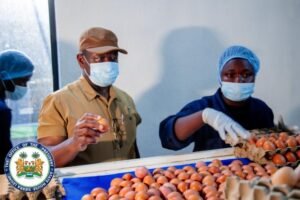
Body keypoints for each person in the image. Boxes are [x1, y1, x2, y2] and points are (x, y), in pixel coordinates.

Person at [37, 27, 141, 167]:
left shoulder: (126, 99)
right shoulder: (58, 101)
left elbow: (132, 150)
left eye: (113, 57)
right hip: (83, 187)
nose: (108, 64)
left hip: (124, 185)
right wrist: (73, 143)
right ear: (81, 60)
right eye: (99, 58)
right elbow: (43, 161)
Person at [159, 45, 274, 151]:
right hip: (211, 171)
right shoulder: (203, 106)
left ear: (254, 77)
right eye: (230, 74)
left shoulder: (262, 110)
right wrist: (204, 116)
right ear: (220, 77)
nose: (238, 80)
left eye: (246, 74)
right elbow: (167, 137)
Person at [0, 50, 34, 174]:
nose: (24, 87)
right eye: (22, 81)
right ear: (4, 76)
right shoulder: (2, 111)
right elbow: (4, 159)